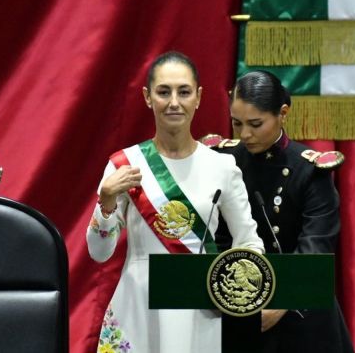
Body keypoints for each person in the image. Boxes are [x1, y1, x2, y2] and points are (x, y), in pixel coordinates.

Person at [86, 51, 264, 353]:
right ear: (147, 97)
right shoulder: (125, 165)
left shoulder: (222, 167)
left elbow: (249, 242)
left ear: (198, 97)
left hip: (200, 308)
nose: (173, 102)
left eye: (184, 92)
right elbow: (99, 252)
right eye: (163, 92)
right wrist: (106, 200)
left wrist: (233, 290)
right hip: (139, 305)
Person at [211, 70, 355, 353]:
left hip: (299, 307)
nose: (245, 134)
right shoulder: (224, 161)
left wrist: (280, 303)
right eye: (237, 123)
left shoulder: (309, 170)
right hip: (238, 302)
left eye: (256, 124)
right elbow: (217, 237)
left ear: (283, 114)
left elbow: (316, 246)